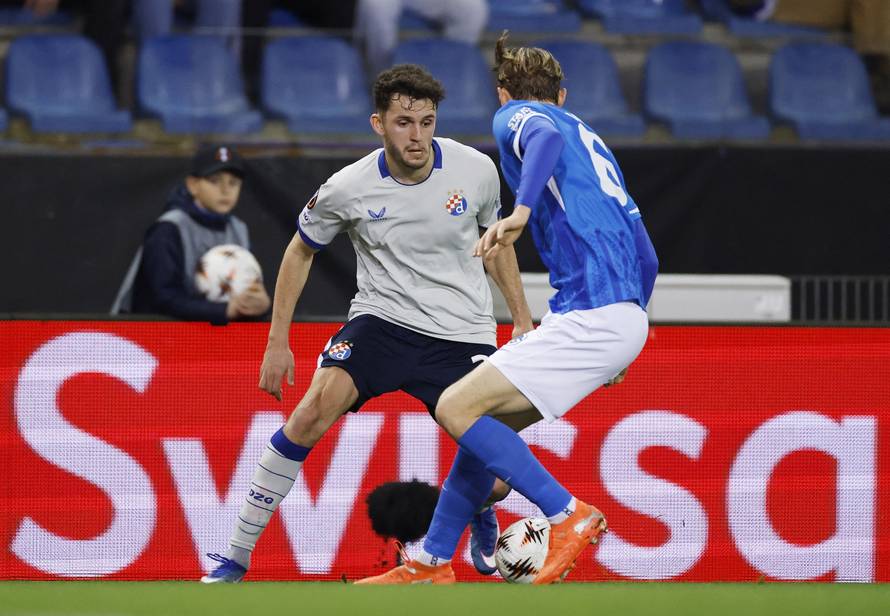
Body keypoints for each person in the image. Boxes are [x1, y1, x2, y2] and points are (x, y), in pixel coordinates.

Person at [200, 63, 533, 583]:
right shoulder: (347, 187)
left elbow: (498, 247)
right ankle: (235, 556)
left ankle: (480, 507)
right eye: (404, 122)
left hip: (462, 332)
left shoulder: (475, 170)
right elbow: (300, 251)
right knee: (309, 414)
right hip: (382, 323)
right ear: (378, 124)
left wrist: (522, 321)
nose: (417, 135)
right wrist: (277, 342)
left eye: (426, 122)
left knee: (497, 479)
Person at [356, 32, 659, 585]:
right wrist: (629, 329)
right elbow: (647, 256)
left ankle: (567, 513)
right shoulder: (594, 144)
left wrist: (520, 210)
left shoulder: (517, 117)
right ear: (563, 94)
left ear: (502, 93)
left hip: (591, 310)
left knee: (454, 406)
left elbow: (540, 133)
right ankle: (431, 563)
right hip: (622, 315)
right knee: (483, 428)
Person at [111, 144, 271, 324]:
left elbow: (248, 285)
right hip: (157, 334)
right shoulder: (168, 229)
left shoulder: (239, 229)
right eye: (214, 181)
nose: (225, 190)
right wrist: (224, 310)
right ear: (193, 185)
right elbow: (163, 298)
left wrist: (262, 305)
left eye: (233, 183)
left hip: (217, 334)